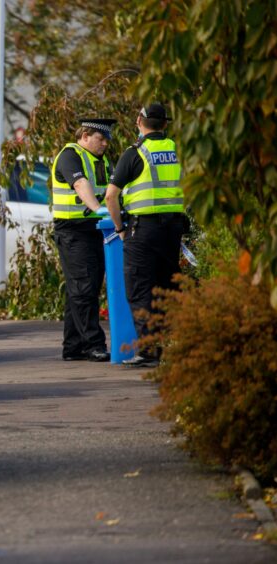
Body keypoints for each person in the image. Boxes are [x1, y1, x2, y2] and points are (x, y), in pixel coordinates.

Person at [104, 103, 187, 367]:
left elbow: (110, 196)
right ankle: (171, 347)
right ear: (165, 124)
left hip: (143, 231)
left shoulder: (135, 153)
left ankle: (149, 350)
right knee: (166, 287)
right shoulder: (178, 150)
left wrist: (119, 228)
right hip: (173, 230)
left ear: (140, 121)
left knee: (140, 289)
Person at [51, 117, 116, 362]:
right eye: (101, 139)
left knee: (80, 289)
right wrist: (98, 208)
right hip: (73, 231)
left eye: (107, 140)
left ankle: (73, 346)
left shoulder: (103, 160)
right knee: (84, 288)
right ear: (85, 136)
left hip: (95, 230)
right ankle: (93, 344)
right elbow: (80, 183)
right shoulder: (71, 155)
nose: (105, 144)